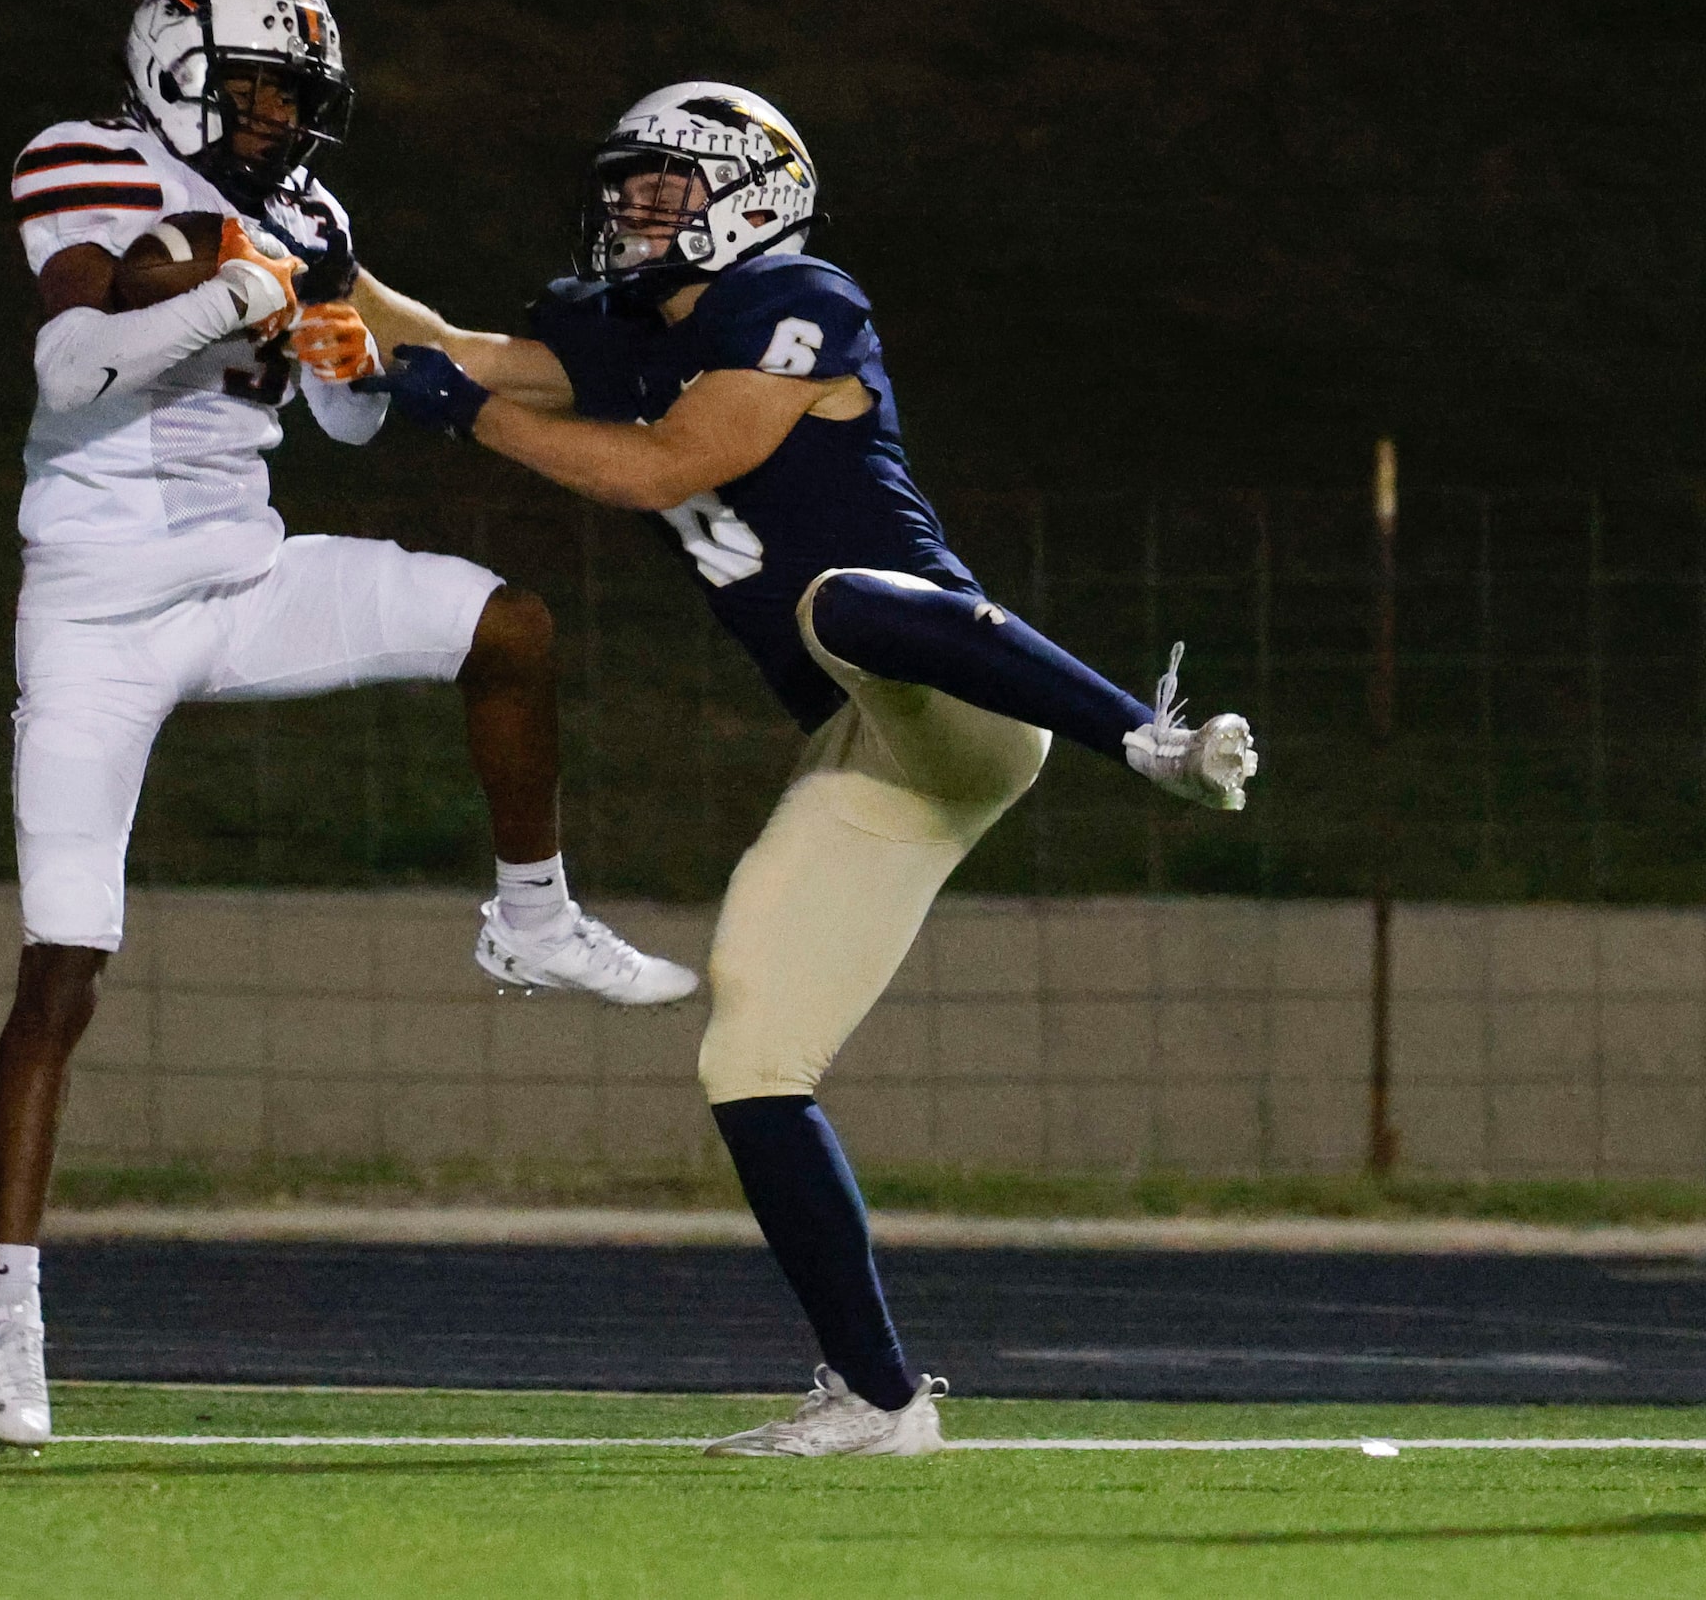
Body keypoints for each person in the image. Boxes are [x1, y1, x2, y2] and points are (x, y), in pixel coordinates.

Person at [348, 81, 1260, 1457]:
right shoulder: (620, 326)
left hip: (957, 699)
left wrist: (461, 414)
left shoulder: (800, 299)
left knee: (838, 595)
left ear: (754, 199)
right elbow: (461, 351)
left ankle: (1147, 735)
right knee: (751, 1049)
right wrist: (324, 270)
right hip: (867, 742)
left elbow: (673, 464)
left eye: (667, 188)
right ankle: (881, 1398)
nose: (633, 210)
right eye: (630, 186)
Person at [0, 0, 696, 1452]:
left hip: (246, 573)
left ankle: (534, 914)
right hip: (98, 599)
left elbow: (354, 421)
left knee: (507, 625)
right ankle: (7, 1302)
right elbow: (71, 362)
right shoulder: (88, 157)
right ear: (181, 71)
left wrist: (344, 348)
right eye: (257, 89)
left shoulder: (308, 217)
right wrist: (233, 290)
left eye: (296, 97)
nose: (279, 120)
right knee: (63, 964)